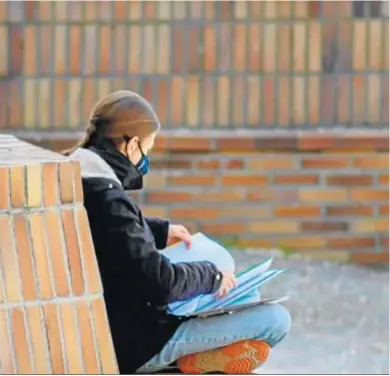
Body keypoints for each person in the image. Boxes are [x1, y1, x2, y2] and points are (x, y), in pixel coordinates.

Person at [64, 90, 291, 374]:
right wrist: (211, 275)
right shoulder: (108, 200)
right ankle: (190, 362)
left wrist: (159, 231)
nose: (146, 157)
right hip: (141, 343)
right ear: (132, 144)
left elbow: (114, 236)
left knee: (247, 298)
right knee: (274, 319)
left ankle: (206, 356)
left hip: (123, 327)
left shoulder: (80, 179)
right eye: (148, 148)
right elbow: (162, 283)